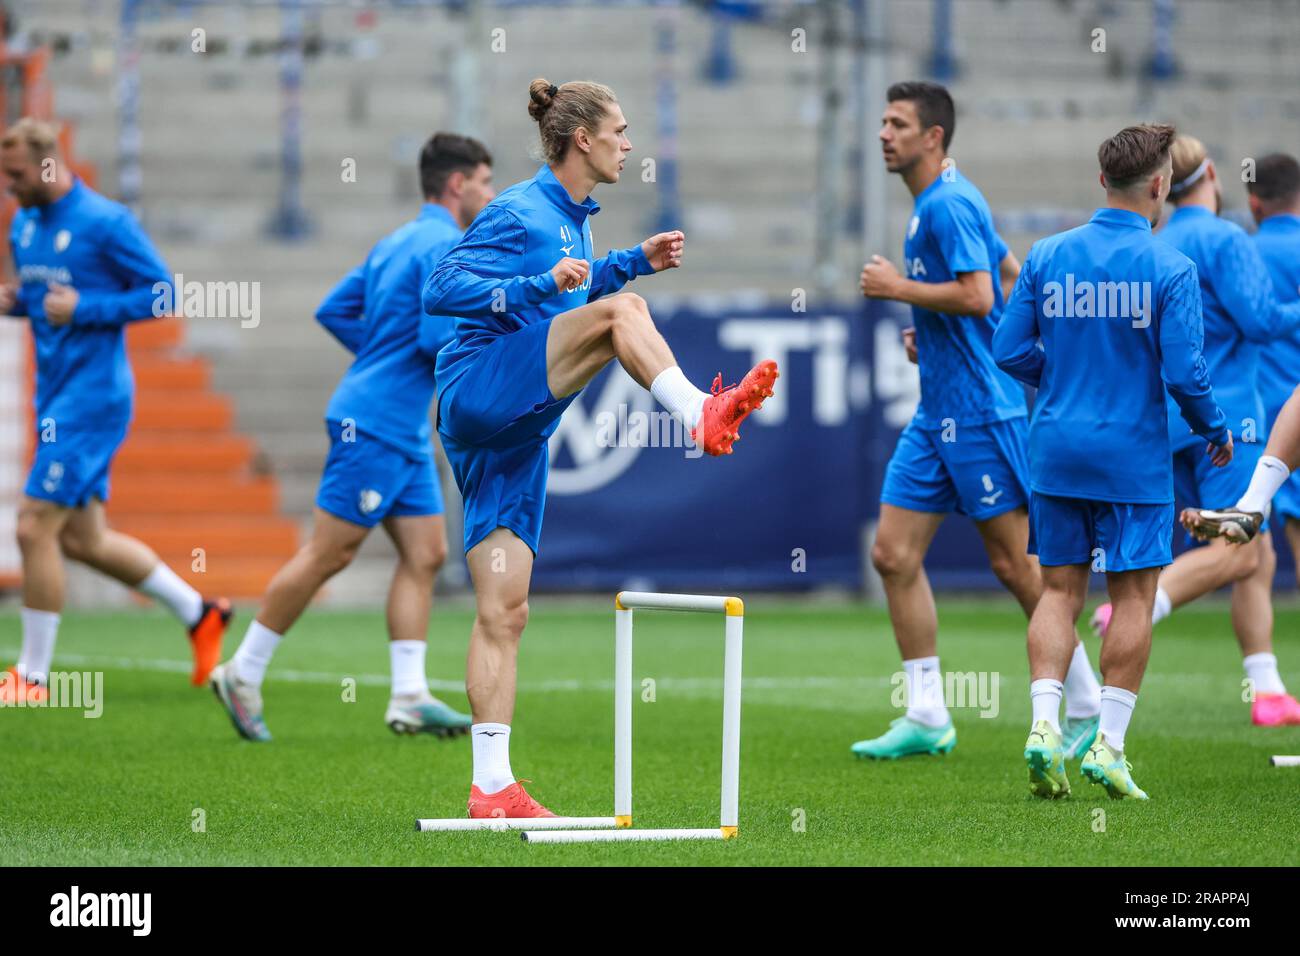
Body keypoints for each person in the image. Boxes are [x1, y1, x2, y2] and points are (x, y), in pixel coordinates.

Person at [421, 78, 779, 819]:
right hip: (481, 386)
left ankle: (490, 785)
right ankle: (699, 414)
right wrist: (532, 285)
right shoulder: (521, 208)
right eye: (619, 129)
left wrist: (629, 261)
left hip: (510, 433)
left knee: (505, 609)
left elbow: (573, 292)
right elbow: (441, 286)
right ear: (581, 138)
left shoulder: (575, 223)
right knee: (626, 315)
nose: (629, 142)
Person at [208, 133, 495, 741]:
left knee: (425, 553)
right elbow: (426, 341)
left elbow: (334, 310)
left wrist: (376, 359)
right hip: (379, 422)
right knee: (329, 552)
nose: (490, 195)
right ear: (456, 185)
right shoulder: (448, 244)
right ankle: (243, 669)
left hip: (393, 419)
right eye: (486, 182)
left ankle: (411, 694)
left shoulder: (396, 240)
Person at [853, 81, 1101, 761]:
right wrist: (929, 332)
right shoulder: (940, 200)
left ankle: (1085, 704)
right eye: (882, 121)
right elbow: (1013, 275)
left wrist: (900, 291)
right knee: (892, 554)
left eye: (897, 123)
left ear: (933, 137)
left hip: (982, 412)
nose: (883, 133)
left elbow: (980, 290)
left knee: (1018, 567)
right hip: (938, 413)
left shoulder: (950, 203)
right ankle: (929, 713)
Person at [994, 123, 1231, 800]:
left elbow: (1009, 351)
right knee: (1132, 594)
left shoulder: (1046, 254)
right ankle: (1110, 746)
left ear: (1104, 181)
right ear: (1160, 186)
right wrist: (1214, 428)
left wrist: (1062, 373)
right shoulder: (1170, 267)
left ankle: (1044, 727)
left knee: (1060, 592)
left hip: (1058, 447)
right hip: (1131, 456)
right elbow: (1186, 374)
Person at [0, 118, 231, 705]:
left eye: (17, 174)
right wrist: (17, 302)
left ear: (49, 163)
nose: (9, 185)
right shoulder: (24, 224)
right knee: (82, 539)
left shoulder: (105, 222)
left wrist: (87, 308)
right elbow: (43, 298)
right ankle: (199, 612)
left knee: (32, 527)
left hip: (94, 397)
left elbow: (162, 294)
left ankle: (32, 677)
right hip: (54, 395)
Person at [1090, 136, 1300, 727]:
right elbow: (1260, 322)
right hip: (1228, 417)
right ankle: (1146, 607)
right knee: (1243, 546)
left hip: (1164, 420)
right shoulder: (1222, 237)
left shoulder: (1156, 241)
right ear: (1208, 173)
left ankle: (1267, 688)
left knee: (1253, 561)